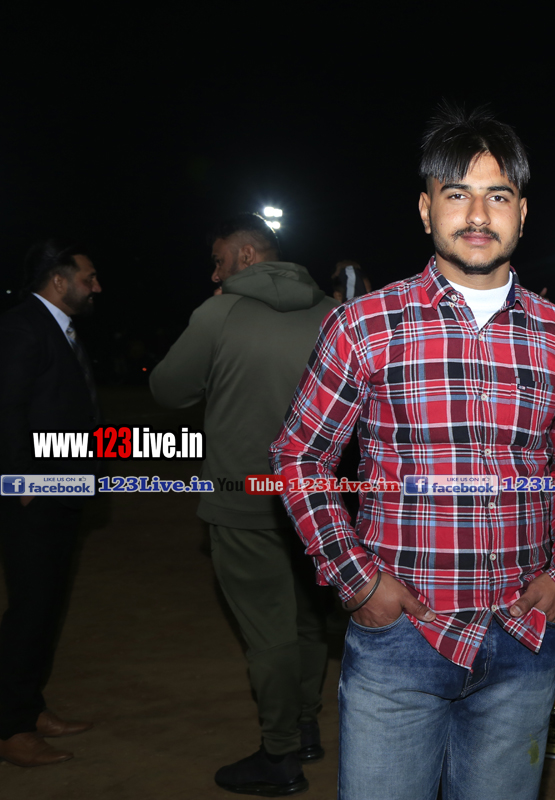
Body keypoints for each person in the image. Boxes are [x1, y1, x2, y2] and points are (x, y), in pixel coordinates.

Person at [270, 104, 555, 800]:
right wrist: (358, 581)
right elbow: (300, 457)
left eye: (497, 196)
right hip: (401, 640)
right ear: (426, 211)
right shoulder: (363, 326)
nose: (477, 214)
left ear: (522, 213)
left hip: (523, 639)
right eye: (457, 194)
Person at [150, 214, 336, 795]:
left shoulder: (220, 313)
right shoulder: (334, 314)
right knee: (308, 618)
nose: (215, 272)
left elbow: (167, 389)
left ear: (246, 255)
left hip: (240, 497)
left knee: (268, 630)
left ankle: (280, 756)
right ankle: (306, 726)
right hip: (315, 500)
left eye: (219, 259)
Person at [0, 240, 101, 767]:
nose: (97, 286)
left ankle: (29, 706)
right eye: (88, 278)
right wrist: (19, 479)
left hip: (63, 488)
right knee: (30, 608)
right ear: (58, 281)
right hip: (32, 495)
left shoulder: (58, 328)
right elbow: (6, 406)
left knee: (46, 606)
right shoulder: (22, 327)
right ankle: (10, 727)